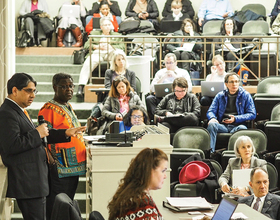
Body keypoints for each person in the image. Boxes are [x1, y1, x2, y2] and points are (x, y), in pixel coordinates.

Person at [0, 73, 86, 220]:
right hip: (28, 181)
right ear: (15, 90)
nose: (33, 95)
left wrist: (65, 132)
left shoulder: (18, 110)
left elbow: (43, 134)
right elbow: (12, 145)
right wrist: (37, 134)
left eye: (35, 91)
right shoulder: (7, 112)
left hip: (35, 180)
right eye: (29, 90)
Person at [38, 73, 87, 220]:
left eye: (71, 86)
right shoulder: (48, 109)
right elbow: (46, 136)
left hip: (73, 165)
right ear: (55, 87)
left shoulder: (68, 106)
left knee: (67, 202)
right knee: (58, 204)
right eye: (64, 86)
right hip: (60, 167)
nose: (69, 89)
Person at [108, 148, 168, 220]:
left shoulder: (130, 194)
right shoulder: (141, 204)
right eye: (163, 171)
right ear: (149, 171)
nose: (165, 176)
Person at [207, 72, 256, 152]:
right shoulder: (220, 96)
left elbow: (252, 114)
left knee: (242, 128)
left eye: (236, 81)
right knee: (212, 125)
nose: (234, 84)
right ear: (226, 84)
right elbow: (211, 111)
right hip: (222, 125)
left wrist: (236, 119)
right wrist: (212, 118)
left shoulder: (245, 95)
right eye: (232, 82)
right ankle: (210, 153)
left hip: (237, 125)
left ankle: (233, 153)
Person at [76, 17, 125, 98]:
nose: (107, 27)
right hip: (98, 52)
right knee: (89, 62)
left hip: (111, 53)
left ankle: (118, 84)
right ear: (101, 27)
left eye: (109, 25)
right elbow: (86, 45)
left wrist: (111, 45)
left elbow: (122, 47)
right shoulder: (94, 34)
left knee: (118, 55)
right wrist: (97, 46)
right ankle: (81, 86)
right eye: (105, 25)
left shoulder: (117, 35)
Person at [146, 53, 192, 121]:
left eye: (171, 62)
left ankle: (175, 118)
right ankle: (157, 119)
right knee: (149, 98)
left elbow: (190, 88)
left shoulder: (183, 72)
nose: (168, 65)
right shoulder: (160, 73)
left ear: (176, 63)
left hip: (178, 97)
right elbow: (152, 88)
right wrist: (163, 78)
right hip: (162, 98)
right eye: (166, 63)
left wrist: (175, 77)